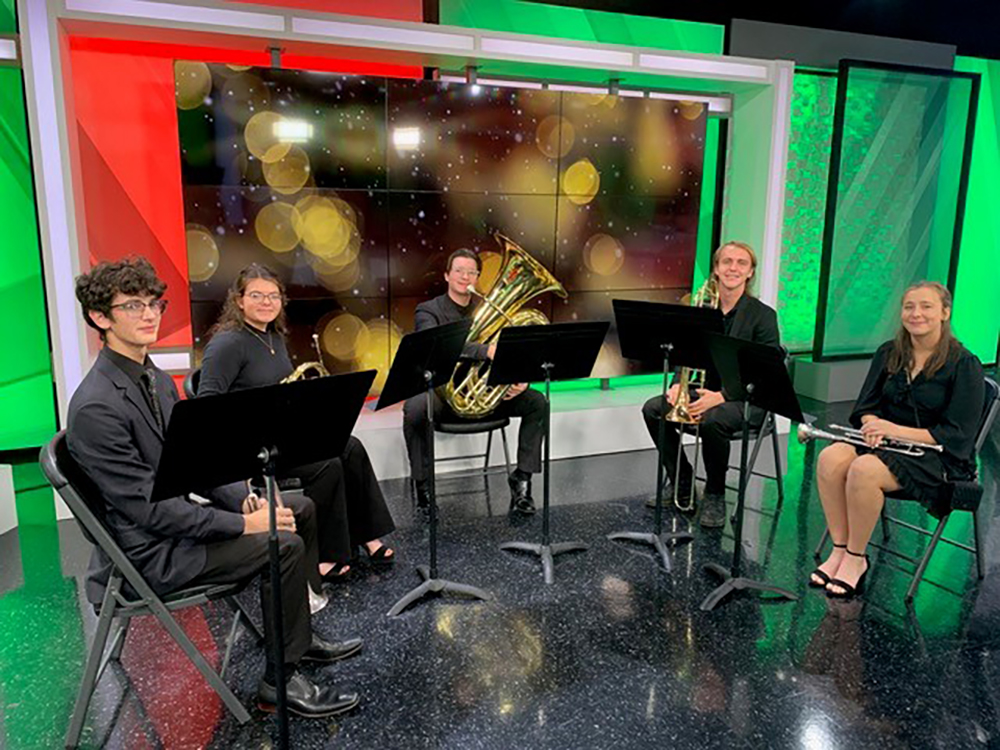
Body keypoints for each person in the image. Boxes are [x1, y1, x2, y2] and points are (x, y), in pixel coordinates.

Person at [66, 257, 361, 718]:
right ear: (100, 319)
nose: (149, 315)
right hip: (152, 553)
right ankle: (278, 684)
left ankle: (299, 638)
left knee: (297, 508)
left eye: (154, 304)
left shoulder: (157, 379)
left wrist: (243, 496)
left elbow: (195, 462)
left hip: (172, 528)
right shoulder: (96, 407)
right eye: (132, 306)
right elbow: (151, 511)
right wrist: (244, 523)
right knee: (279, 545)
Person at [198, 263, 396, 580]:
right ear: (239, 300)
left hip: (281, 435)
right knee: (327, 463)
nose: (266, 302)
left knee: (351, 447)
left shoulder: (273, 337)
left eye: (273, 296)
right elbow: (207, 407)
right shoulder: (227, 343)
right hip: (251, 446)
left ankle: (366, 536)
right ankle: (324, 556)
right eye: (257, 295)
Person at [810, 281, 984, 599]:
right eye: (909, 306)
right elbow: (866, 406)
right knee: (830, 458)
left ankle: (855, 558)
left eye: (926, 306)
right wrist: (873, 423)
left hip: (937, 458)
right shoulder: (889, 352)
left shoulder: (964, 364)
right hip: (885, 444)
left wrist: (891, 429)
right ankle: (839, 548)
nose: (916, 313)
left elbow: (957, 435)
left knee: (863, 469)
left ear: (945, 312)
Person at [641, 241, 780, 528]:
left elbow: (766, 373)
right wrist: (678, 384)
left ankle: (715, 493)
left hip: (748, 399)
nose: (733, 268)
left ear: (750, 272)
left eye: (741, 263)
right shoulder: (702, 310)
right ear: (716, 269)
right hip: (705, 391)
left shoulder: (763, 316)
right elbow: (683, 352)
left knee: (712, 419)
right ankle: (682, 480)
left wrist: (723, 396)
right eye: (726, 261)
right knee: (653, 409)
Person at [402, 248, 547, 515]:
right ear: (447, 275)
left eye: (471, 272)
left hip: (488, 393)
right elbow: (434, 347)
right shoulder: (428, 310)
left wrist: (520, 377)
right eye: (459, 270)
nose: (465, 276)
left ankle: (522, 481)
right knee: (414, 409)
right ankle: (423, 487)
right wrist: (485, 351)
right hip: (444, 395)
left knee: (538, 402)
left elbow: (517, 347)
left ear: (478, 277)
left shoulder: (491, 309)